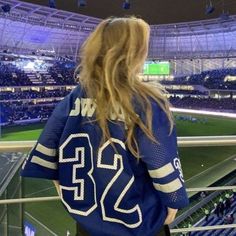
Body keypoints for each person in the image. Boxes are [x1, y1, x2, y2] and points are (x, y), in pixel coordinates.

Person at [21, 16, 189, 236]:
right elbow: (161, 163)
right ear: (134, 52)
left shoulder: (75, 97)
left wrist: (68, 194)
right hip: (138, 222)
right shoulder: (146, 102)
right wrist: (173, 202)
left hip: (88, 222)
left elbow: (49, 154)